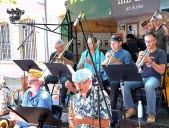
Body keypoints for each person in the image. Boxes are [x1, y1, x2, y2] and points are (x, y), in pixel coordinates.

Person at [123, 32, 167, 123]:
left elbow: (162, 71)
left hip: (154, 78)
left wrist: (150, 61)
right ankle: (131, 109)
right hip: (142, 77)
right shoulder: (143, 52)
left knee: (149, 86)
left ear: (155, 41)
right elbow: (136, 69)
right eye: (146, 41)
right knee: (124, 83)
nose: (148, 44)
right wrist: (139, 60)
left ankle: (151, 113)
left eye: (150, 41)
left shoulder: (161, 53)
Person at [101, 35, 132, 110]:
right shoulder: (108, 52)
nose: (112, 45)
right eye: (111, 43)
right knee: (95, 81)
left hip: (118, 77)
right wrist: (106, 60)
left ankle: (112, 107)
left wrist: (115, 61)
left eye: (114, 43)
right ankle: (98, 105)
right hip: (106, 76)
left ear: (120, 43)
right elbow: (101, 67)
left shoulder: (126, 53)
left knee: (114, 83)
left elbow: (128, 69)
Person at [44, 39, 74, 105]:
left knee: (64, 81)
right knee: (43, 80)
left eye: (58, 47)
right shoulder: (53, 54)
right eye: (56, 47)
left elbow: (72, 65)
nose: (56, 49)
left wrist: (63, 57)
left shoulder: (69, 54)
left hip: (65, 75)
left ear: (63, 46)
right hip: (55, 75)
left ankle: (62, 100)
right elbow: (50, 66)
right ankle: (48, 98)